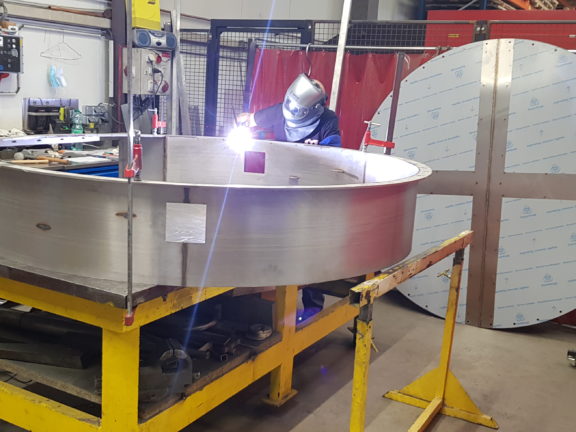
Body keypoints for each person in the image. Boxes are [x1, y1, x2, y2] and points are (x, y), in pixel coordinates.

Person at [237, 73, 342, 320]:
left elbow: (333, 156)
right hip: (279, 189)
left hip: (312, 192)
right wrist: (243, 125)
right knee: (272, 242)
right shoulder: (277, 112)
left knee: (310, 249)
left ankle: (313, 306)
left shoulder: (328, 121)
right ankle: (263, 296)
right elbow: (249, 118)